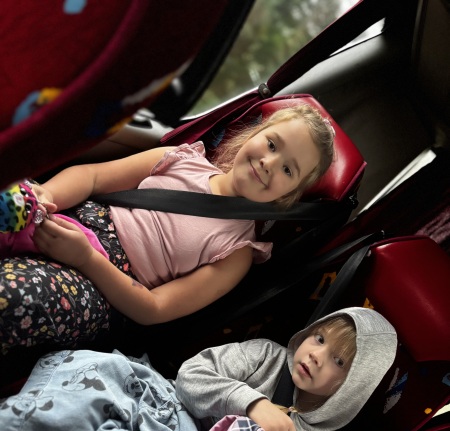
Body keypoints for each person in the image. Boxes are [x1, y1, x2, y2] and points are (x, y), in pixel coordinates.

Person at [0, 103, 335, 355]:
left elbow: (154, 309)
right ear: (254, 135)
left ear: (290, 196)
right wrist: (46, 197)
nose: (269, 163)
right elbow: (92, 177)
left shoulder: (237, 253)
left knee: (11, 296)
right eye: (272, 145)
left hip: (103, 286)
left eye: (288, 170)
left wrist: (86, 258)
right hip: (69, 220)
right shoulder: (179, 159)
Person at [175, 307, 398, 431]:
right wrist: (253, 404)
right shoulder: (265, 356)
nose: (316, 355)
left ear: (354, 388)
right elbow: (189, 376)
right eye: (320, 338)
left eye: (339, 361)